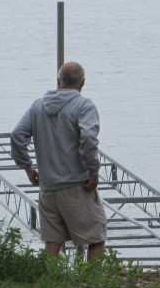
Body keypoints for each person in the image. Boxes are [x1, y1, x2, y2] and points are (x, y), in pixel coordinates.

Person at [9, 61, 108, 259]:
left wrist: (28, 168)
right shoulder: (84, 105)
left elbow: (17, 136)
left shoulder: (38, 106)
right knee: (96, 237)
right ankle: (93, 282)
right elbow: (88, 138)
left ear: (58, 81)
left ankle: (52, 282)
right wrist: (93, 171)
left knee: (53, 241)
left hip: (48, 188)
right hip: (77, 187)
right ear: (83, 83)